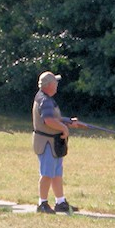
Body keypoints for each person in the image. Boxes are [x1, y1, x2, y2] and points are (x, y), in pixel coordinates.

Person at [32, 71, 87, 214]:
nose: (57, 85)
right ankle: (42, 203)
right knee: (47, 174)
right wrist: (64, 127)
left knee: (56, 173)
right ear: (49, 85)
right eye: (55, 82)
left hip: (52, 142)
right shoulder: (46, 101)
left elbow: (54, 117)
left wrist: (67, 121)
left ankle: (60, 202)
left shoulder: (46, 99)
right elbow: (48, 120)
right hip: (47, 143)